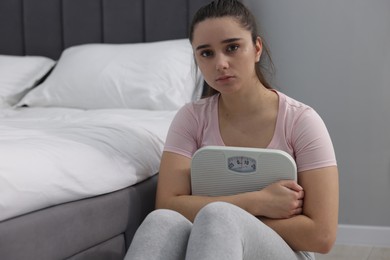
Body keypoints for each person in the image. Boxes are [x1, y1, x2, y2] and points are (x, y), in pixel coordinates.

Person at [124, 0, 338, 259]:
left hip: (285, 252)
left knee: (218, 216)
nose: (220, 63)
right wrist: (258, 201)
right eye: (206, 53)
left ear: (257, 48)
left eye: (233, 47)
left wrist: (228, 221)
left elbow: (322, 236)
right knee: (162, 221)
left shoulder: (302, 121)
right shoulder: (191, 118)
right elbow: (168, 204)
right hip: (211, 243)